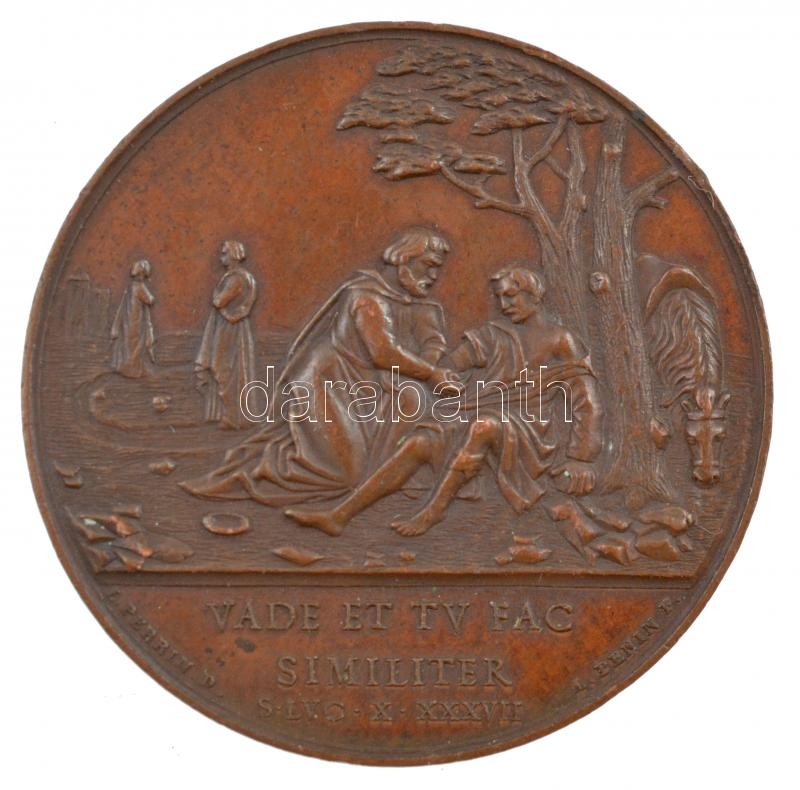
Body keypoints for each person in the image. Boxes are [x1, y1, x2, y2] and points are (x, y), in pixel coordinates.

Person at [286, 263, 603, 536]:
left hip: (528, 430)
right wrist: (430, 374)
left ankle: (433, 511)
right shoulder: (494, 334)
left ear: (534, 295)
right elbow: (451, 365)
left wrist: (581, 456)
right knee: (420, 442)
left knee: (483, 427)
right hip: (479, 411)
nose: (504, 304)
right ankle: (339, 515)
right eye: (499, 297)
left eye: (511, 296)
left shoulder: (560, 340)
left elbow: (585, 400)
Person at [182, 225, 459, 503]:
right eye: (428, 265)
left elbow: (432, 342)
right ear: (404, 258)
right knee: (341, 474)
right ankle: (251, 473)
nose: (434, 276)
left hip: (369, 387)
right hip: (327, 381)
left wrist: (423, 369)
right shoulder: (365, 296)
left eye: (437, 268)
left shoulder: (422, 304)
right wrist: (431, 373)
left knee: (413, 396)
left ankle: (385, 475)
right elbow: (382, 352)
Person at [195, 240, 257, 429]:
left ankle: (232, 417)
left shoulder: (236, 279)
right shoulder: (246, 277)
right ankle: (235, 415)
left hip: (229, 328)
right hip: (237, 327)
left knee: (225, 370)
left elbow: (219, 301)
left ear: (233, 255)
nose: (221, 258)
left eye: (224, 254)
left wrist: (218, 300)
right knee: (234, 369)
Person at [110, 258, 155, 378]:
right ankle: (133, 370)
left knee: (128, 344)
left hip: (128, 320)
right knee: (136, 345)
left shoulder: (131, 286)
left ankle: (125, 367)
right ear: (142, 274)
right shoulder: (140, 287)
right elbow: (150, 300)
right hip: (136, 321)